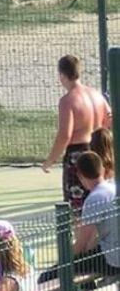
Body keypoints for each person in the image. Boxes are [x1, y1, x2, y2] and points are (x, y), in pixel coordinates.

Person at [44, 54, 111, 213]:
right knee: (100, 204)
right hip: (98, 150)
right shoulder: (96, 94)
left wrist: (50, 160)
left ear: (61, 75)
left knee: (77, 209)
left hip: (78, 157)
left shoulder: (68, 100)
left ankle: (81, 238)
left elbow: (65, 135)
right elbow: (110, 118)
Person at [73, 151, 120, 276]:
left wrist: (65, 258)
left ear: (80, 176)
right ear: (103, 170)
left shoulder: (94, 199)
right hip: (110, 250)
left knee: (47, 277)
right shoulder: (114, 187)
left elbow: (83, 242)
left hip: (113, 259)